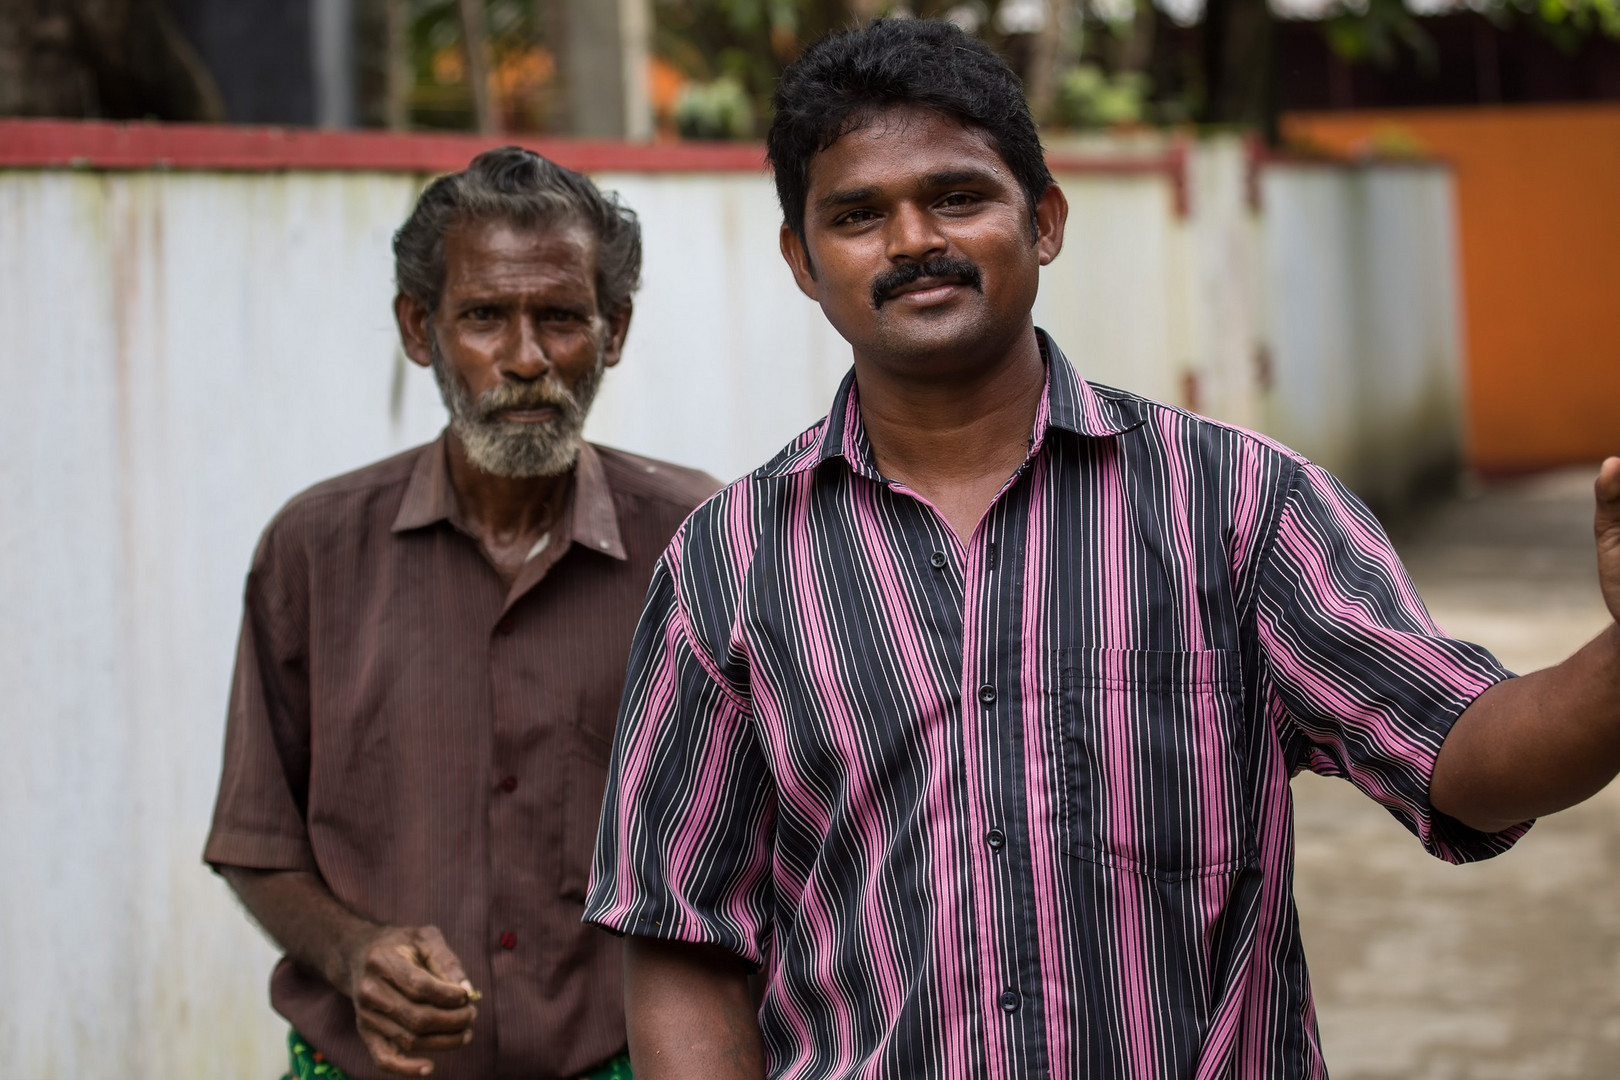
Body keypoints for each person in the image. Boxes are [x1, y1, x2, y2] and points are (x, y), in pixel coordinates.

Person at [583, 19, 1620, 1080]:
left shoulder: (1237, 502)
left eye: (956, 196)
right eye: (857, 215)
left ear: (1043, 220)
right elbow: (682, 933)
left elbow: (1461, 758)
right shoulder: (730, 562)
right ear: (803, 262)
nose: (911, 242)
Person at [205, 147, 718, 1080]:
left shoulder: (703, 546)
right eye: (484, 316)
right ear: (419, 328)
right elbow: (258, 839)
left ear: (613, 332)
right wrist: (353, 950)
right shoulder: (313, 550)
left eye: (560, 317)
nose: (526, 359)